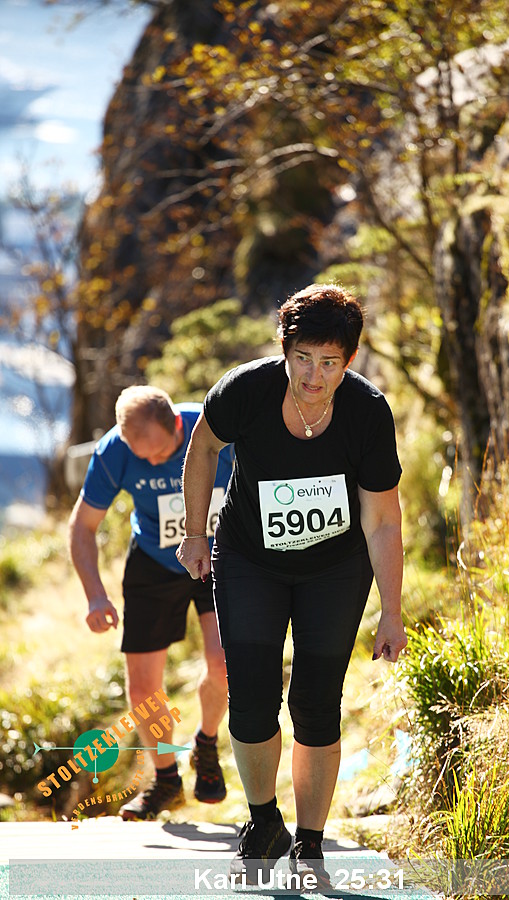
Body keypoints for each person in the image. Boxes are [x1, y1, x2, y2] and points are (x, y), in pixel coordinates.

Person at [176, 283, 407, 887]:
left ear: (348, 360)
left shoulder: (366, 411)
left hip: (335, 568)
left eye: (330, 363)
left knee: (316, 701)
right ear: (284, 349)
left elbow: (383, 519)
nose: (314, 376)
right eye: (303, 358)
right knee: (252, 696)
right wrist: (195, 533)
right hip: (250, 560)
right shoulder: (245, 390)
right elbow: (203, 448)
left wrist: (392, 611)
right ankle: (262, 824)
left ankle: (310, 843)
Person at [68, 385, 233, 820]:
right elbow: (82, 526)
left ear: (176, 423)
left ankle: (206, 743)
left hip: (219, 554)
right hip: (155, 562)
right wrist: (95, 594)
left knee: (223, 665)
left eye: (160, 452)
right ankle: (165, 780)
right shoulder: (114, 452)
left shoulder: (216, 427)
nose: (155, 462)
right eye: (144, 457)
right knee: (143, 688)